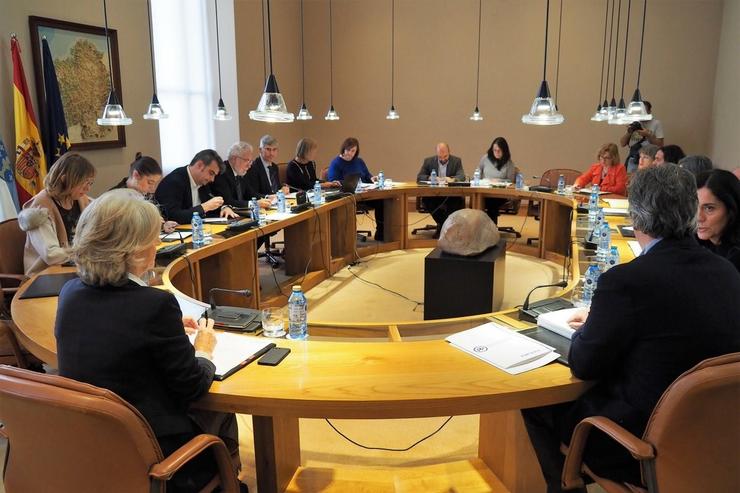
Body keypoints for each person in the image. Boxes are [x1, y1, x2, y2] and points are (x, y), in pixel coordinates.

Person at [522, 165, 740, 493]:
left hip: (639, 446)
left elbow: (584, 363)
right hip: (715, 440)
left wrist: (595, 323)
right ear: (691, 213)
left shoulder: (625, 283)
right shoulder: (728, 273)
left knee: (534, 403)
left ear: (635, 218)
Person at [55, 189, 244, 492]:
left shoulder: (69, 294)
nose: (157, 245)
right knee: (221, 407)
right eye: (153, 239)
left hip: (91, 445)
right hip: (153, 453)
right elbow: (192, 387)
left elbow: (116, 331)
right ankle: (227, 482)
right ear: (134, 251)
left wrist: (168, 330)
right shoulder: (154, 306)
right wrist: (204, 349)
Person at [17, 152, 95, 275]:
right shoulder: (40, 207)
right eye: (84, 183)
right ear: (64, 179)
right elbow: (51, 255)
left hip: (74, 270)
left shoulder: (80, 199)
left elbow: (103, 213)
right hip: (45, 276)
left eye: (90, 183)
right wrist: (85, 251)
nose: (87, 189)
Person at [154, 149, 236, 224]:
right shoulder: (174, 182)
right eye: (211, 173)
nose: (212, 179)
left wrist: (224, 208)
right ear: (199, 165)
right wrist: (204, 207)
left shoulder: (203, 182)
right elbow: (173, 216)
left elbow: (211, 201)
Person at [328, 137, 385, 241]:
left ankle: (381, 232)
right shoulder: (336, 163)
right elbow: (333, 181)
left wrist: (372, 178)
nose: (350, 153)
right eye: (348, 150)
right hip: (347, 197)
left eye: (353, 151)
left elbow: (367, 175)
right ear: (343, 149)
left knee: (381, 201)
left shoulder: (359, 161)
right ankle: (348, 237)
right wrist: (344, 183)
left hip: (363, 195)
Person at [110, 153, 177, 232]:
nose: (152, 188)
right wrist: (150, 223)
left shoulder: (145, 193)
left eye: (155, 183)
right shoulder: (114, 197)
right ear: (136, 175)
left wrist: (163, 225)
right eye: (150, 182)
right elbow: (120, 229)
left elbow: (158, 217)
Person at [416, 142, 465, 238]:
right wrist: (431, 178)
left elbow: (462, 176)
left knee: (456, 201)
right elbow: (419, 177)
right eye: (440, 157)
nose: (442, 159)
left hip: (450, 195)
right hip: (434, 195)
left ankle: (442, 226)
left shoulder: (456, 161)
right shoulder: (428, 161)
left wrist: (452, 179)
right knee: (427, 200)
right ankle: (443, 226)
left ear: (449, 152)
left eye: (445, 156)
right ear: (436, 154)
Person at [695, 169, 740, 271]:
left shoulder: (734, 260)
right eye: (694, 206)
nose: (699, 218)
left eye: (709, 208)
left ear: (731, 210)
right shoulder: (690, 244)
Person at [211, 141, 271, 210]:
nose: (249, 165)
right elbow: (228, 201)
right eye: (246, 160)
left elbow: (250, 193)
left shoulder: (240, 171)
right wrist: (254, 204)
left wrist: (268, 197)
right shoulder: (222, 173)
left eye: (250, 161)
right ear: (234, 159)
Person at [477, 137, 516, 224]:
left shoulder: (509, 163)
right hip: (485, 191)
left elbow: (511, 181)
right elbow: (478, 172)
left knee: (492, 203)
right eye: (495, 150)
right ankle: (480, 228)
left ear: (504, 150)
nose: (496, 152)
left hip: (500, 194)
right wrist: (479, 180)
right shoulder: (485, 158)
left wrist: (499, 181)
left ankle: (491, 229)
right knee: (477, 200)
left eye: (499, 150)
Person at [618, 101, 664, 171]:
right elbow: (622, 143)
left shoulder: (656, 123)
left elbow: (660, 145)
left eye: (644, 111)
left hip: (650, 159)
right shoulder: (635, 123)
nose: (641, 113)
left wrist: (648, 135)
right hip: (634, 158)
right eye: (640, 111)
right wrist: (630, 131)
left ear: (649, 111)